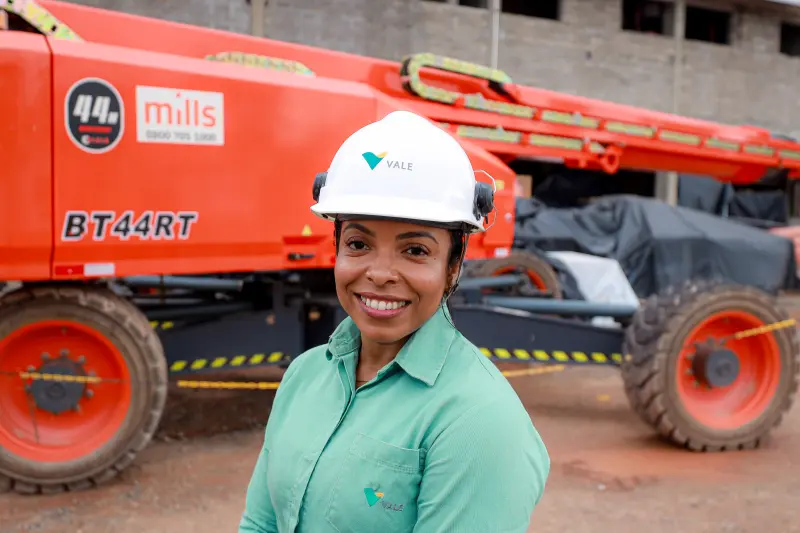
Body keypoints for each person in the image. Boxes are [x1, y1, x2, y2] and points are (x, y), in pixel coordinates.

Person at [238, 110, 550, 533]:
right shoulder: (304, 376)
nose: (381, 273)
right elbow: (260, 524)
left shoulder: (479, 420)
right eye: (358, 244)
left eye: (415, 250)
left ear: (453, 266)